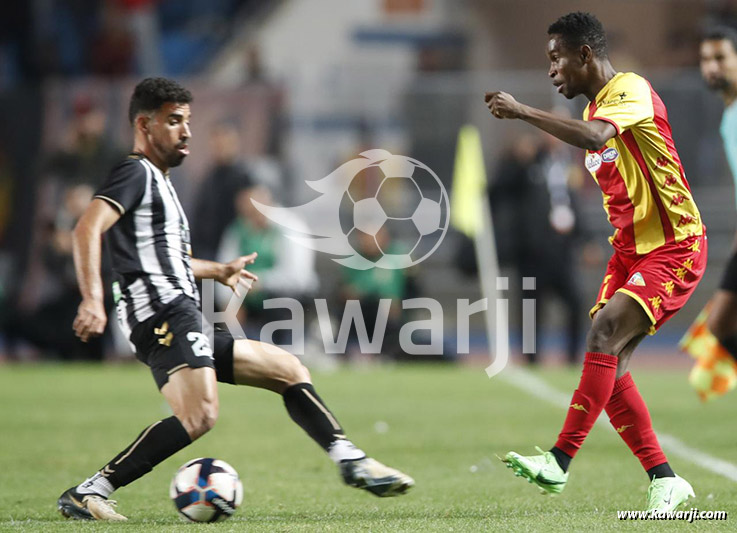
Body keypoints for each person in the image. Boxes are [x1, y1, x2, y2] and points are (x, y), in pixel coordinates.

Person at [57, 78, 413, 522]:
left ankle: (350, 458)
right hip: (163, 313)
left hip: (179, 311)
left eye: (188, 121)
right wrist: (92, 299)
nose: (186, 131)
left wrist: (217, 270)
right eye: (173, 121)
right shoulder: (136, 173)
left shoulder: (161, 183)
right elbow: (87, 228)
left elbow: (166, 259)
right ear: (144, 125)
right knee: (200, 414)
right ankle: (92, 489)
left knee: (287, 369)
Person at [485, 12, 706, 512]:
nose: (552, 70)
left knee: (604, 334)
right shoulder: (593, 113)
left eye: (556, 58)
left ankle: (559, 462)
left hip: (675, 243)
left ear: (584, 55)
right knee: (612, 362)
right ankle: (665, 479)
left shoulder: (630, 89)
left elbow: (595, 140)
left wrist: (523, 112)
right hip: (631, 250)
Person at [699, 27, 737, 362]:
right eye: (706, 59)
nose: (712, 66)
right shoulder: (729, 115)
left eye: (720, 58)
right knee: (721, 324)